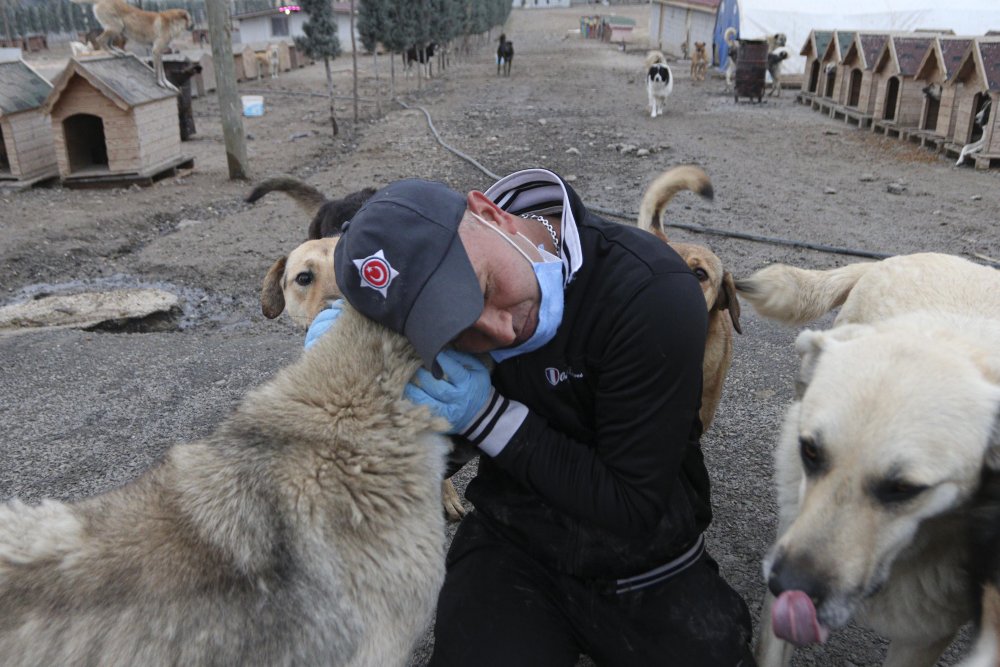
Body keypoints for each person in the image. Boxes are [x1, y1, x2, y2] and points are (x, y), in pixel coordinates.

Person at [305, 170, 754, 666]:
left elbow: (631, 503)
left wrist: (487, 416)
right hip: (515, 539)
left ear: (491, 214)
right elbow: (406, 474)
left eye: (482, 287)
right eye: (456, 329)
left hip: (647, 553)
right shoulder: (456, 309)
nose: (499, 328)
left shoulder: (651, 293)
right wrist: (363, 400)